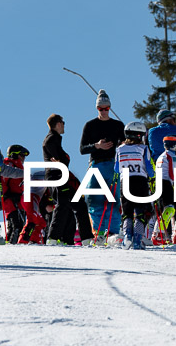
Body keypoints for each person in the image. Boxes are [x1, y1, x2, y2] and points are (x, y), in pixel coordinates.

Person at [79, 90, 125, 239]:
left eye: (106, 108)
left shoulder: (118, 125)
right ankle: (98, 233)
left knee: (114, 199)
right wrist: (97, 146)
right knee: (94, 200)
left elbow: (126, 143)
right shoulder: (90, 125)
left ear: (110, 108)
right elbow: (82, 149)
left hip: (113, 165)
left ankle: (113, 233)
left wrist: (121, 144)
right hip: (96, 165)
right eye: (101, 109)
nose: (104, 112)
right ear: (97, 108)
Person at [43, 114, 94, 246]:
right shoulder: (52, 138)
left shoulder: (55, 138)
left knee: (80, 204)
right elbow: (52, 150)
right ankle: (52, 238)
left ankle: (87, 238)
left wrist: (62, 159)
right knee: (63, 203)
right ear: (58, 124)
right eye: (63, 122)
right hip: (57, 176)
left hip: (60, 176)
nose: (65, 125)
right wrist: (59, 159)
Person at [114, 122, 153, 250]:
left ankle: (127, 237)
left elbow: (115, 168)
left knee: (127, 211)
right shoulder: (144, 148)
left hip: (125, 182)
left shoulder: (119, 149)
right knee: (140, 211)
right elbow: (149, 168)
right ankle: (137, 239)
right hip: (140, 181)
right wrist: (153, 177)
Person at [1, 145, 30, 244]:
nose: (23, 158)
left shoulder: (19, 167)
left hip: (19, 200)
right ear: (14, 155)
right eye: (22, 155)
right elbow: (3, 181)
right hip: (9, 199)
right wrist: (6, 194)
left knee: (19, 225)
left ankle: (10, 243)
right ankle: (13, 246)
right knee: (16, 225)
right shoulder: (9, 165)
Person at [18, 169, 54, 244]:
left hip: (29, 197)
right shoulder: (49, 174)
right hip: (31, 197)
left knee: (41, 222)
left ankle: (34, 241)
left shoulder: (41, 173)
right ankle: (22, 242)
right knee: (32, 220)